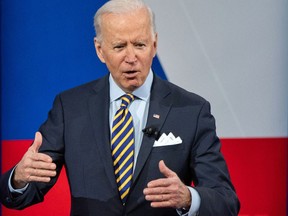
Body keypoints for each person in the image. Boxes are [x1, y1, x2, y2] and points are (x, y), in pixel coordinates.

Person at [0, 0, 240, 215]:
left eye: (140, 44)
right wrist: (19, 178)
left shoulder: (191, 110)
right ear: (99, 50)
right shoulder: (70, 107)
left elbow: (226, 201)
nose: (131, 57)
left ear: (154, 44)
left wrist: (188, 198)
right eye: (119, 47)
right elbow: (22, 195)